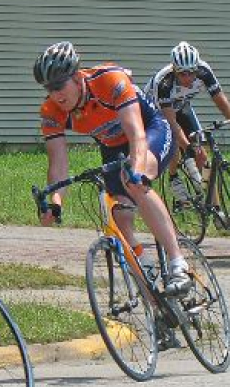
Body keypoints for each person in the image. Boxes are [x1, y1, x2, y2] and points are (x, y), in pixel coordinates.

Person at [33, 41, 192, 295]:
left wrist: (137, 169)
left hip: (151, 131)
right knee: (119, 217)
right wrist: (55, 202)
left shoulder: (109, 80)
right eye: (48, 89)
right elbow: (58, 164)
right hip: (111, 146)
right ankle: (157, 302)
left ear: (76, 77)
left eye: (59, 86)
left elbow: (136, 134)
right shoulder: (51, 111)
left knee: (135, 183)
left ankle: (178, 265)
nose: (56, 95)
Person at [144, 41, 230, 209]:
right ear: (174, 69)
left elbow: (220, 100)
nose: (188, 78)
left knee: (201, 155)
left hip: (181, 105)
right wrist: (186, 146)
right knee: (173, 145)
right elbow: (172, 123)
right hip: (157, 112)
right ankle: (174, 178)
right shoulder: (163, 82)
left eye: (191, 73)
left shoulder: (204, 71)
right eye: (182, 74)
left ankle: (215, 209)